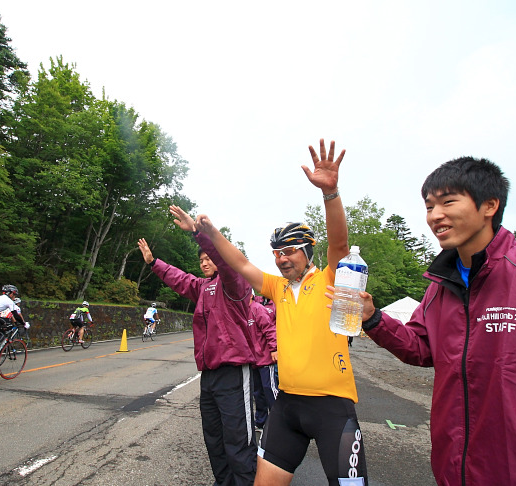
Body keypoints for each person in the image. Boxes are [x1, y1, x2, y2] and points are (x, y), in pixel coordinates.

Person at [349, 157, 516, 485]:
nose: (435, 215)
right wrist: (373, 318)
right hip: (455, 469)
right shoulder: (440, 286)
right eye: (429, 206)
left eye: (448, 202)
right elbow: (421, 348)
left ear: (490, 205)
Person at [195, 139, 368, 486]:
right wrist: (211, 233)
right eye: (276, 253)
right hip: (287, 405)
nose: (281, 258)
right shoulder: (277, 288)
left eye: (289, 251)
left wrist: (331, 194)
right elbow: (241, 263)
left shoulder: (330, 279)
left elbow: (339, 244)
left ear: (307, 252)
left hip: (332, 406)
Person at [138, 204, 258, 486]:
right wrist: (154, 263)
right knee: (214, 438)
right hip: (209, 375)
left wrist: (198, 234)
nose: (204, 262)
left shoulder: (235, 284)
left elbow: (228, 263)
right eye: (201, 259)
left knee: (238, 438)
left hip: (233, 371)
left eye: (209, 258)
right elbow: (180, 279)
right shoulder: (203, 288)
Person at [248, 293, 279, 431]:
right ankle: (261, 422)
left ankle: (280, 421)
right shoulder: (242, 311)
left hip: (265, 359)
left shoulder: (258, 309)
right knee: (257, 393)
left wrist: (274, 349)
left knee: (270, 389)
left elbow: (270, 330)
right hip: (253, 361)